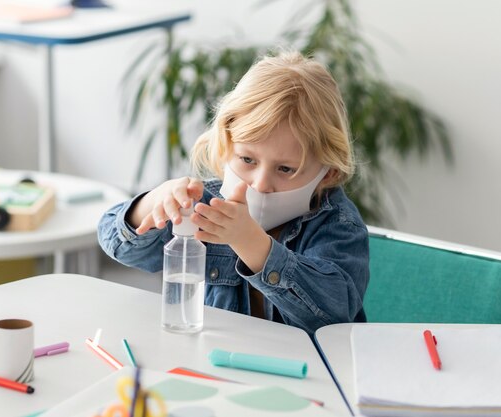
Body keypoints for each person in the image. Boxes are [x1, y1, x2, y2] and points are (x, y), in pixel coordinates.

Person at [98, 51, 369, 335]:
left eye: (286, 169)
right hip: (221, 365)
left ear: (328, 172)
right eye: (248, 160)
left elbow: (333, 315)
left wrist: (252, 244)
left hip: (309, 374)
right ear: (226, 147)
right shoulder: (206, 205)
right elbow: (118, 245)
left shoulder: (339, 226)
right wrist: (154, 201)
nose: (260, 184)